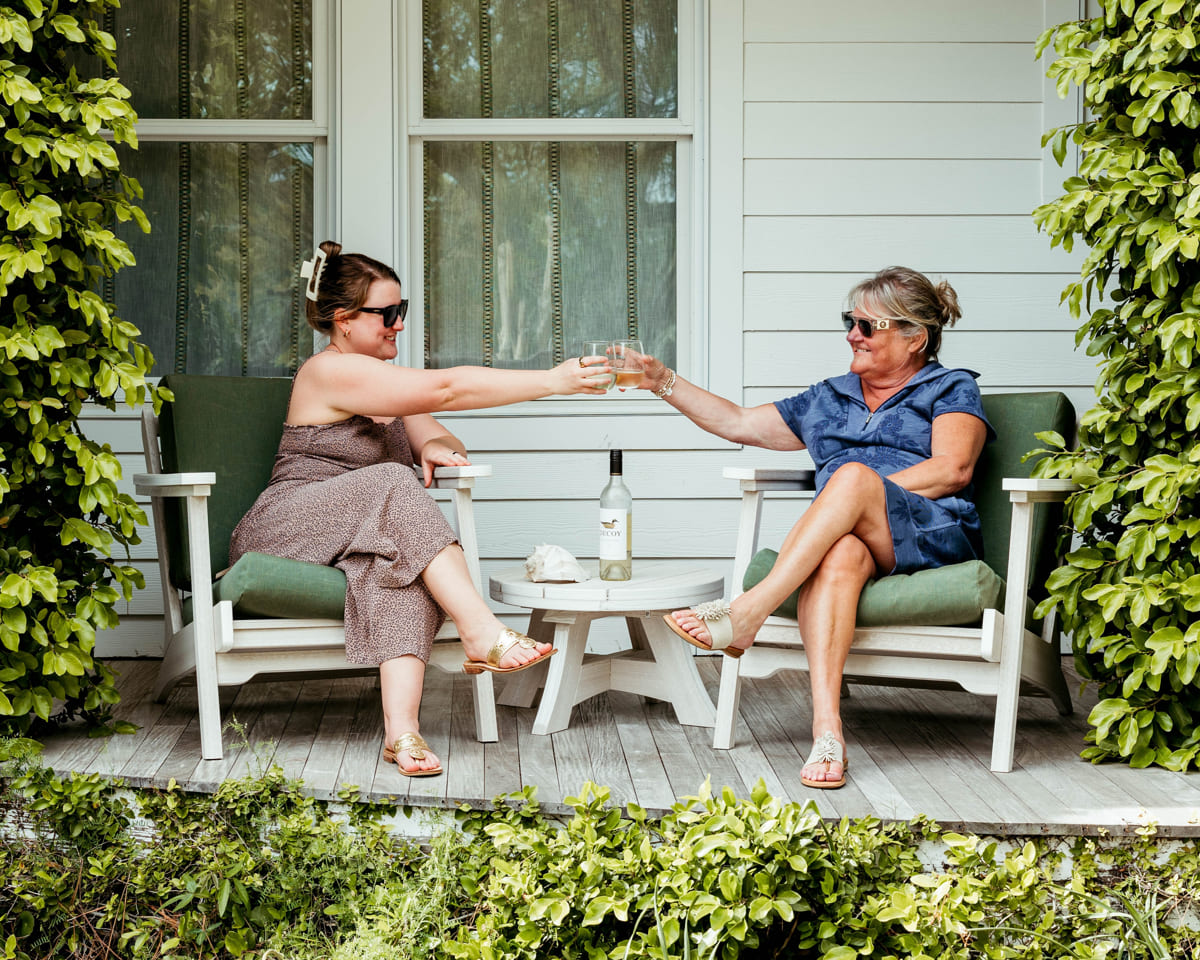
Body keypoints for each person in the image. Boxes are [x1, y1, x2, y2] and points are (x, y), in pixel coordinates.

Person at [230, 241, 611, 777]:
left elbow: (436, 425)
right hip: (288, 525)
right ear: (343, 321)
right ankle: (480, 628)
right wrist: (553, 381)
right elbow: (448, 388)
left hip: (359, 531)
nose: (398, 325)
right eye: (387, 314)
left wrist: (431, 445)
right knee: (390, 478)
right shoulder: (327, 371)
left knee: (405, 574)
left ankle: (402, 734)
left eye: (401, 311)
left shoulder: (384, 387)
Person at [647, 266, 994, 790]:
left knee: (853, 478)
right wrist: (661, 381)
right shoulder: (829, 396)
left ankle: (748, 610)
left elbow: (953, 468)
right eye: (849, 321)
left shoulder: (950, 386)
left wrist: (858, 493)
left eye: (867, 326)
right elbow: (738, 422)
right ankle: (827, 733)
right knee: (839, 555)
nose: (852, 334)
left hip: (930, 531)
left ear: (914, 338)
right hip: (851, 540)